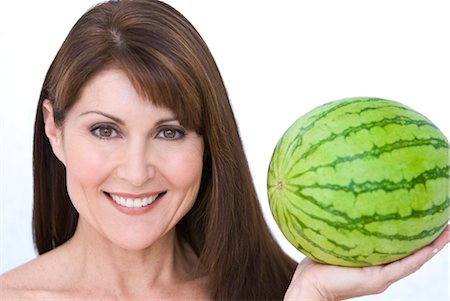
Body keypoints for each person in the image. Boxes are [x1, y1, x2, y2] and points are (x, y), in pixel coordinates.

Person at [1, 1, 449, 300]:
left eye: (170, 132)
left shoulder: (281, 292)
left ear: (208, 142)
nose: (136, 173)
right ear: (53, 129)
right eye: (105, 131)